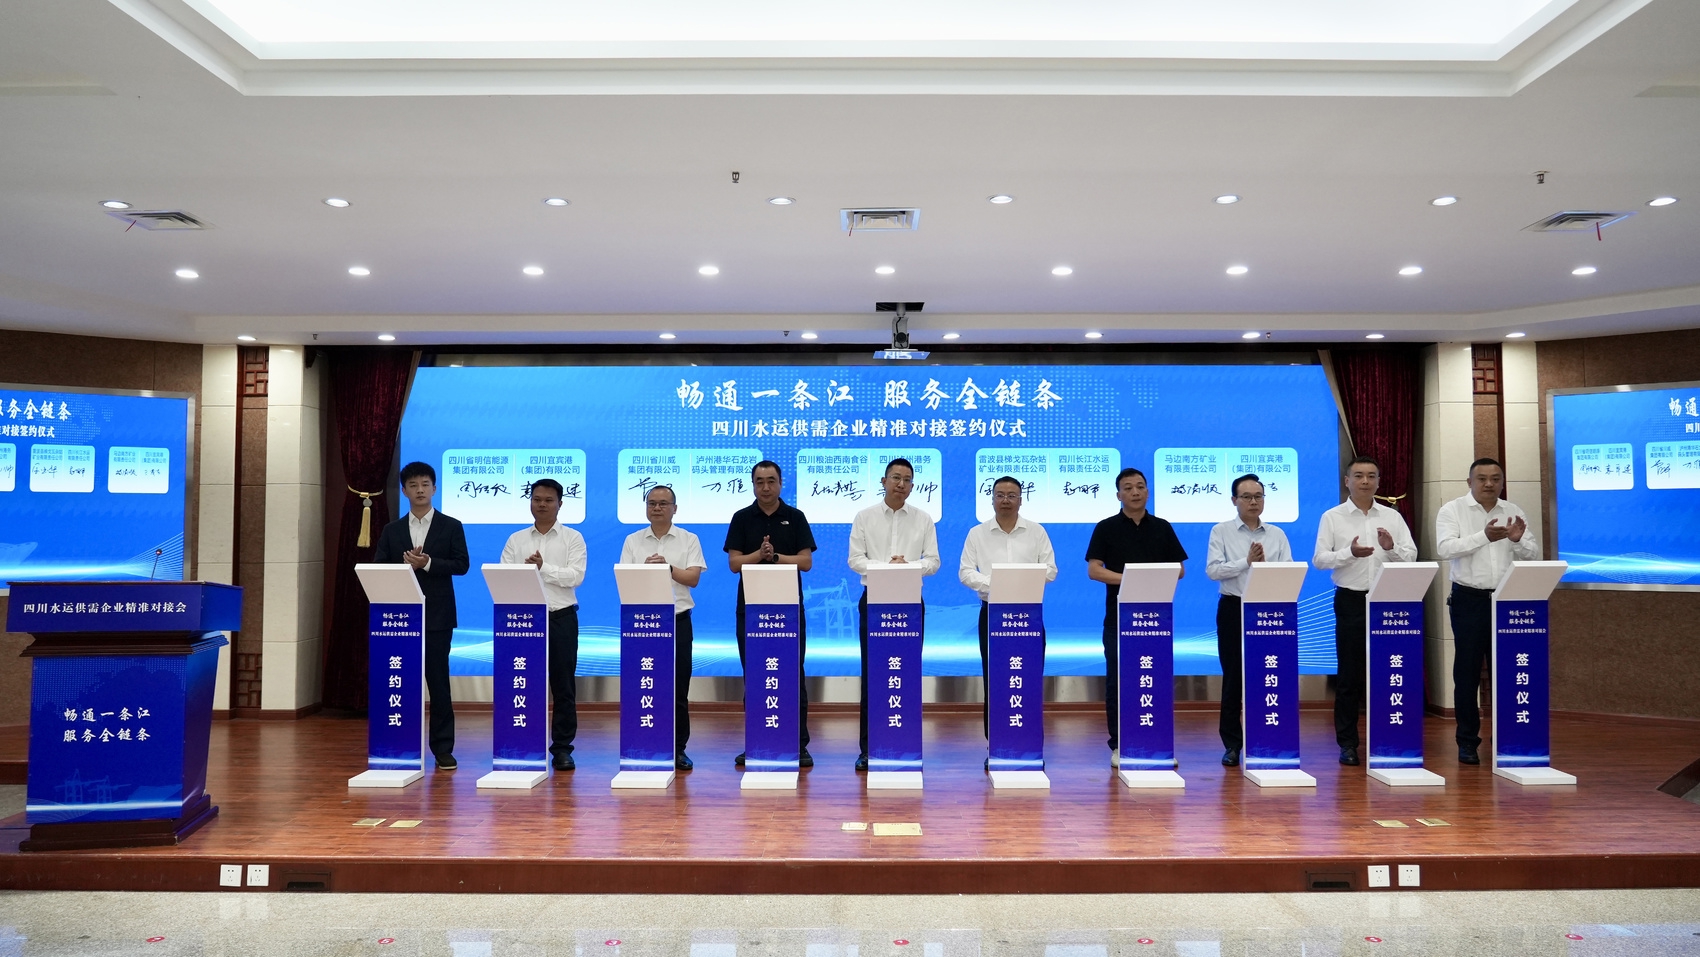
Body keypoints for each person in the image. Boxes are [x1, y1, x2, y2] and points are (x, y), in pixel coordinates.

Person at [1312, 456, 1417, 767]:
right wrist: (1350, 553)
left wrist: (1390, 548)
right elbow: (1320, 559)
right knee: (1349, 676)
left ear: (1379, 481)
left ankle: (1389, 737)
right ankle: (1347, 744)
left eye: (1372, 476)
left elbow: (1411, 557)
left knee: (1388, 672)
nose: (1365, 481)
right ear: (1347, 481)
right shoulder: (1332, 517)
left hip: (1389, 602)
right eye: (1358, 476)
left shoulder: (1392, 517)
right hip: (1351, 601)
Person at [1435, 457, 1540, 766]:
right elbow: (1445, 548)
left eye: (1495, 478)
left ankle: (1507, 737)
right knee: (1467, 673)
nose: (1489, 484)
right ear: (1469, 482)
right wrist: (1484, 537)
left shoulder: (1513, 511)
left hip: (1508, 599)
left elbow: (1533, 554)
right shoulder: (1452, 510)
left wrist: (1517, 541)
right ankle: (1467, 741)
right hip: (1469, 600)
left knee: (1506, 671)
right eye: (1482, 478)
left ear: (1502, 482)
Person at [1085, 467, 1187, 768]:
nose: (1135, 492)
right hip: (1119, 617)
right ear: (1118, 495)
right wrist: (1131, 580)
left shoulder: (1162, 527)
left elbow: (1179, 569)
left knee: (1155, 677)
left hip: (1156, 620)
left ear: (1148, 492)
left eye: (1140, 486)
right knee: (1118, 680)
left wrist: (1148, 579)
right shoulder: (1106, 527)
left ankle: (1158, 741)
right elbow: (1094, 570)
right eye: (1128, 487)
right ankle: (1119, 743)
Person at [372, 461, 469, 770]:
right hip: (401, 618)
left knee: (438, 683)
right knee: (401, 679)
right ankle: (400, 743)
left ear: (434, 488)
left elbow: (462, 565)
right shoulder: (392, 530)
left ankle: (443, 749)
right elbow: (379, 567)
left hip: (438, 617)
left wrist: (426, 563)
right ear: (404, 491)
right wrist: (403, 567)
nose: (420, 490)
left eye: (425, 484)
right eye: (413, 485)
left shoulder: (451, 526)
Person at [847, 457, 940, 771]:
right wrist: (886, 568)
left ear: (913, 485)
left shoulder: (923, 519)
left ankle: (906, 743)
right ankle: (868, 749)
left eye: (907, 479)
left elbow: (934, 561)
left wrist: (908, 566)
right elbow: (855, 559)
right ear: (883, 481)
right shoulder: (865, 517)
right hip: (874, 601)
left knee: (907, 673)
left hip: (910, 604)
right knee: (873, 674)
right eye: (896, 478)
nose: (901, 484)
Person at [724, 460, 818, 768]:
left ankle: (798, 744)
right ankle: (757, 741)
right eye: (759, 481)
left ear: (780, 483)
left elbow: (806, 562)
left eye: (771, 481)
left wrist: (774, 556)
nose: (765, 487)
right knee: (755, 675)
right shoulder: (741, 518)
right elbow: (735, 564)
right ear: (753, 485)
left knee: (793, 674)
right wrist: (758, 555)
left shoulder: (795, 517)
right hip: (751, 611)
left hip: (788, 612)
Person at [960, 475, 1057, 752]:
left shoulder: (1036, 531)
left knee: (1029, 678)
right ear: (992, 499)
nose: (1006, 500)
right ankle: (996, 745)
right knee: (995, 680)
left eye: (1011, 495)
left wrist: (1021, 580)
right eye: (1000, 495)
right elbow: (965, 572)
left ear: (1021, 500)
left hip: (1028, 617)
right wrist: (997, 583)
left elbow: (1051, 570)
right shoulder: (977, 533)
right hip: (993, 614)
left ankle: (1029, 745)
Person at [500, 478, 587, 771]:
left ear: (560, 504)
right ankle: (524, 742)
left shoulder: (573, 538)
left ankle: (562, 749)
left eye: (549, 500)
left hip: (561, 617)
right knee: (524, 683)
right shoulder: (516, 540)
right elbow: (506, 577)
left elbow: (576, 576)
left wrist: (542, 568)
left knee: (563, 687)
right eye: (537, 499)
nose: (542, 505)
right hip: (523, 621)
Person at [1206, 473, 1292, 768]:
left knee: (1268, 674)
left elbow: (1288, 571)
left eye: (1258, 496)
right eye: (1246, 497)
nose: (1253, 502)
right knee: (1233, 678)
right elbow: (1213, 571)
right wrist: (1247, 562)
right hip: (1233, 608)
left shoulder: (1277, 534)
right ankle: (1232, 745)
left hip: (1270, 611)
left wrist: (1268, 570)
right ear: (1234, 500)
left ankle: (1268, 738)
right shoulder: (1221, 531)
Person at [620, 485, 707, 771]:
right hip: (642, 624)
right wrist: (645, 570)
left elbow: (693, 579)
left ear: (674, 508)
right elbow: (624, 580)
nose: (656, 508)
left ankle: (678, 748)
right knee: (644, 685)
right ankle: (642, 742)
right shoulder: (633, 541)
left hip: (677, 620)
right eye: (652, 503)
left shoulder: (688, 539)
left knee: (678, 688)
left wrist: (667, 568)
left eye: (663, 503)